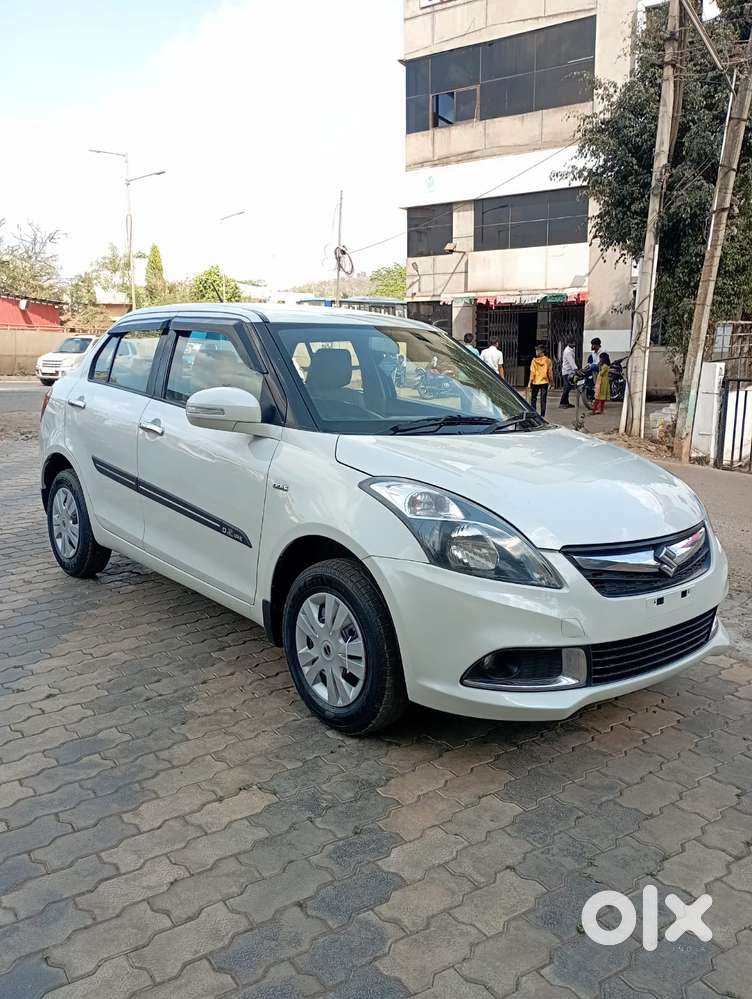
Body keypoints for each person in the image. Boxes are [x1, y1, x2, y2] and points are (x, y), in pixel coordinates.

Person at [529, 342, 554, 417]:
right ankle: (542, 415)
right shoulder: (548, 360)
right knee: (543, 399)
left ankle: (534, 413)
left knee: (533, 398)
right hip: (544, 382)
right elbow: (550, 373)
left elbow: (532, 373)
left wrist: (529, 383)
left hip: (535, 382)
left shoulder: (534, 361)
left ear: (541, 351)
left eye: (537, 350)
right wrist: (551, 382)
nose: (536, 352)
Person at [559, 338, 577, 408]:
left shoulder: (571, 349)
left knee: (568, 387)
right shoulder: (568, 351)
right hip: (567, 371)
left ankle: (566, 402)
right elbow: (571, 361)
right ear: (569, 343)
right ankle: (562, 403)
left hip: (569, 371)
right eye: (572, 343)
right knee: (567, 387)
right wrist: (576, 369)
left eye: (574, 343)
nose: (574, 344)